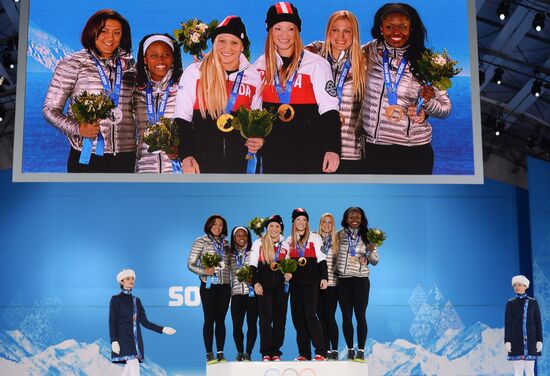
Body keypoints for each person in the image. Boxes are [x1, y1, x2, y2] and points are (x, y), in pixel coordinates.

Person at [360, 3, 451, 174]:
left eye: (403, 27)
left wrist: (428, 103)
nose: (396, 32)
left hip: (412, 152)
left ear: (411, 29)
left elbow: (445, 110)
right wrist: (316, 47)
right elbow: (340, 50)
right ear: (381, 28)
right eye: (389, 27)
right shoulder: (369, 51)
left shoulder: (428, 62)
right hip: (372, 149)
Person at [43, 9, 136, 172]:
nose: (110, 38)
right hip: (86, 156)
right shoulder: (72, 63)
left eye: (117, 32)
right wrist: (78, 128)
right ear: (92, 31)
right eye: (104, 31)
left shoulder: (131, 66)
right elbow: (50, 109)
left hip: (127, 156)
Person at [254, 2, 341, 174]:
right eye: (278, 28)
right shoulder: (260, 64)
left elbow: (329, 109)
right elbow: (255, 107)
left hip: (309, 148)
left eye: (290, 28)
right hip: (272, 150)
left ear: (297, 31)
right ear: (270, 31)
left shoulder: (317, 64)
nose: (284, 35)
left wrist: (333, 149)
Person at [174, 16, 263, 173]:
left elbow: (257, 118)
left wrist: (259, 139)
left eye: (234, 42)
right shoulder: (195, 72)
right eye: (221, 41)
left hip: (240, 163)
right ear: (214, 43)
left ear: (242, 47)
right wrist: (186, 155)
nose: (227, 48)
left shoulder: (253, 76)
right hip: (200, 163)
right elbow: (182, 119)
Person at [109, 269, 176, 376]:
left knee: (128, 370)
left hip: (136, 341)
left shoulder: (136, 300)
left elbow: (145, 322)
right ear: (121, 281)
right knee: (134, 365)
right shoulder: (115, 299)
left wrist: (163, 329)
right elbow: (112, 321)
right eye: (128, 278)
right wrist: (114, 340)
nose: (131, 280)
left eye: (133, 278)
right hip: (123, 340)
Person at [134, 33, 183, 173]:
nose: (160, 60)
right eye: (154, 55)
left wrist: (181, 147)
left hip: (176, 168)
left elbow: (194, 126)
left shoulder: (184, 85)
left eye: (166, 55)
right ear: (145, 59)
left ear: (173, 58)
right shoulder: (135, 89)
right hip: (143, 167)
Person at [336, 207, 379, 362]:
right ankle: (350, 350)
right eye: (351, 216)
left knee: (360, 316)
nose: (354, 218)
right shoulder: (339, 234)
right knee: (346, 317)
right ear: (346, 219)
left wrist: (368, 256)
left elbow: (375, 260)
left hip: (361, 280)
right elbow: (330, 253)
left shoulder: (369, 235)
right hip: (343, 280)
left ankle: (361, 351)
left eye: (358, 216)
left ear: (362, 218)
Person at [187, 215, 231, 364]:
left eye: (220, 225)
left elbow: (231, 264)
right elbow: (190, 264)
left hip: (224, 286)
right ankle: (209, 353)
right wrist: (205, 271)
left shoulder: (226, 243)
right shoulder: (201, 241)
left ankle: (220, 353)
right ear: (209, 225)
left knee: (221, 320)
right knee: (209, 319)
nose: (217, 227)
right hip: (208, 286)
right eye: (214, 224)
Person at [287, 208, 328, 361]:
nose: (301, 222)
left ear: (307, 222)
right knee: (298, 318)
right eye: (298, 219)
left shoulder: (315, 238)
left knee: (310, 316)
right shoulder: (288, 240)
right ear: (294, 222)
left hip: (312, 283)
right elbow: (285, 262)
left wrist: (324, 277)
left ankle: (321, 351)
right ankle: (304, 353)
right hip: (295, 284)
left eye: (304, 219)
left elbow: (322, 259)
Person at [249, 215, 291, 361]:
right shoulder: (258, 243)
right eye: (271, 226)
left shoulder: (285, 245)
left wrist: (288, 274)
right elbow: (252, 266)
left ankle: (276, 352)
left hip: (281, 289)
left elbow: (288, 266)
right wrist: (255, 282)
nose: (274, 229)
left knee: (280, 321)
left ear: (281, 229)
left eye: (277, 226)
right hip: (264, 288)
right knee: (265, 321)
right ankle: (265, 352)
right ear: (267, 228)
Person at [228, 226, 258, 361]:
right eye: (238, 236)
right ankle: (240, 352)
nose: (241, 238)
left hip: (251, 294)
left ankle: (248, 353)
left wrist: (253, 279)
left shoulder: (254, 251)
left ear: (248, 237)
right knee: (237, 325)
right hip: (236, 294)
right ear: (234, 238)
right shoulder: (229, 254)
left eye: (244, 235)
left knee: (252, 324)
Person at [505, 275, 543, 376]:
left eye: (519, 285)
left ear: (525, 286)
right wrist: (507, 340)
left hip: (531, 341)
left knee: (530, 371)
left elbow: (537, 322)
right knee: (518, 371)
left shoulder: (533, 302)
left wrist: (539, 340)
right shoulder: (511, 303)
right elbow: (508, 323)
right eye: (515, 285)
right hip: (516, 341)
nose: (517, 287)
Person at [316, 213, 340, 360]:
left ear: (333, 224)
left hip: (333, 284)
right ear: (320, 224)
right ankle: (325, 350)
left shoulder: (338, 240)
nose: (327, 225)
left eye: (329, 222)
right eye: (324, 222)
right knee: (320, 318)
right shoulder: (314, 238)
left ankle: (335, 350)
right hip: (317, 285)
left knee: (329, 316)